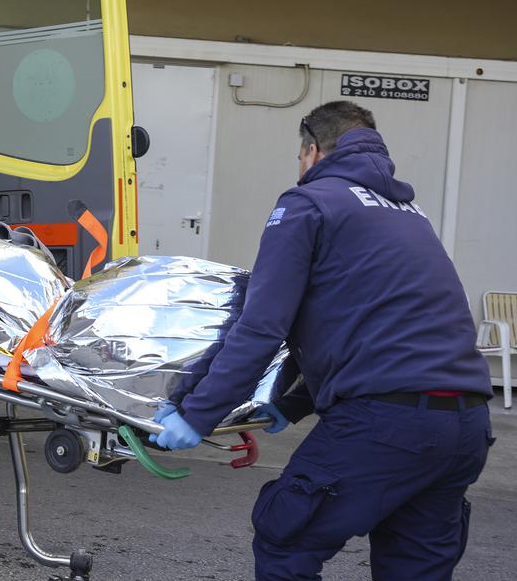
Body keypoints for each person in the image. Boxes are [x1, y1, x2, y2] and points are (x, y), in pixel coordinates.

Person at [150, 101, 494, 580]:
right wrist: (289, 405)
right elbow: (380, 330)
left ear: (312, 150)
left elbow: (261, 326)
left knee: (285, 542)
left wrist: (196, 412)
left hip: (383, 426)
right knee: (413, 569)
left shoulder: (307, 203)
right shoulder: (409, 213)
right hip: (465, 426)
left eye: (298, 155)